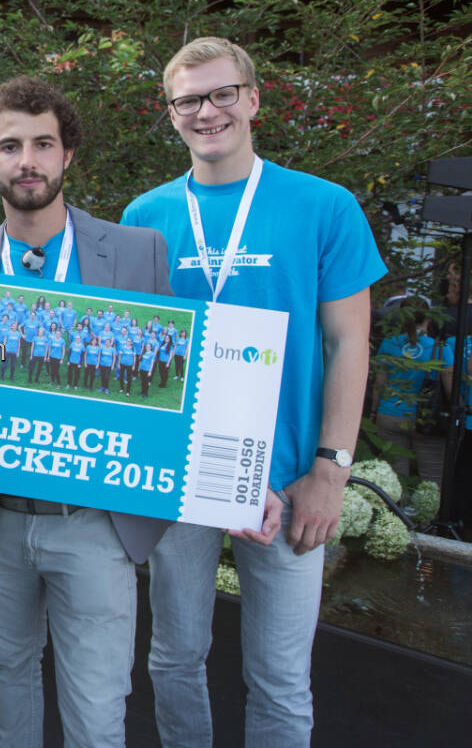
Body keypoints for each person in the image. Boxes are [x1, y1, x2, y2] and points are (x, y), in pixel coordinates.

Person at [122, 37, 385, 746]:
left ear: (253, 99)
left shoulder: (324, 207)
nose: (206, 112)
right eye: (188, 100)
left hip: (295, 476)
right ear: (170, 114)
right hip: (177, 480)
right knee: (174, 658)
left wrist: (331, 470)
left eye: (221, 94)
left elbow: (348, 343)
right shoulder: (144, 216)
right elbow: (133, 353)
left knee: (279, 676)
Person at [0, 76, 172, 747]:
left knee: (98, 703)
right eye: (10, 146)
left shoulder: (136, 253)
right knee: (8, 669)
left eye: (44, 143)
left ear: (69, 154)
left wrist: (26, 351)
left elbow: (161, 381)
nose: (27, 160)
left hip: (94, 522)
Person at [370, 302, 441, 480]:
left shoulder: (388, 343)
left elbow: (380, 382)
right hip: (425, 418)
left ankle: (396, 507)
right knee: (432, 478)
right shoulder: (439, 348)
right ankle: (428, 508)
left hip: (389, 413)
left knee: (395, 476)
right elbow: (448, 386)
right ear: (429, 318)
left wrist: (373, 411)